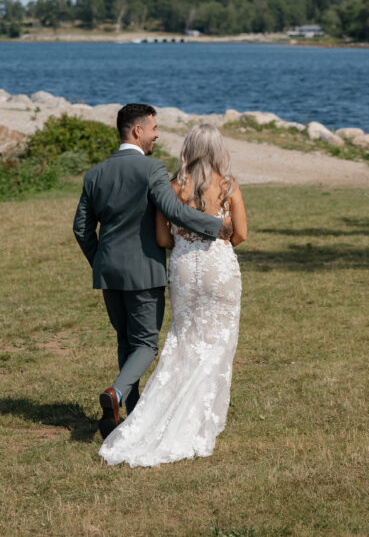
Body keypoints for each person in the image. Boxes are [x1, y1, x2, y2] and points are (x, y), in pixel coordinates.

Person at [73, 103, 231, 439]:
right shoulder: (151, 169)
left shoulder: (95, 174)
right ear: (137, 130)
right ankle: (115, 394)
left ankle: (130, 414)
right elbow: (173, 210)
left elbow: (81, 229)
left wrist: (100, 260)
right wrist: (214, 226)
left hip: (109, 273)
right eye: (154, 128)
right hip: (143, 271)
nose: (158, 135)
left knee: (125, 341)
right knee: (145, 345)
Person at [100, 122, 246, 467]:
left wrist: (184, 243)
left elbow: (163, 240)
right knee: (218, 343)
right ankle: (200, 418)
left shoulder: (173, 188)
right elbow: (239, 233)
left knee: (184, 341)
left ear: (188, 149)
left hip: (182, 270)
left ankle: (160, 413)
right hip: (218, 268)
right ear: (218, 150)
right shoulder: (229, 185)